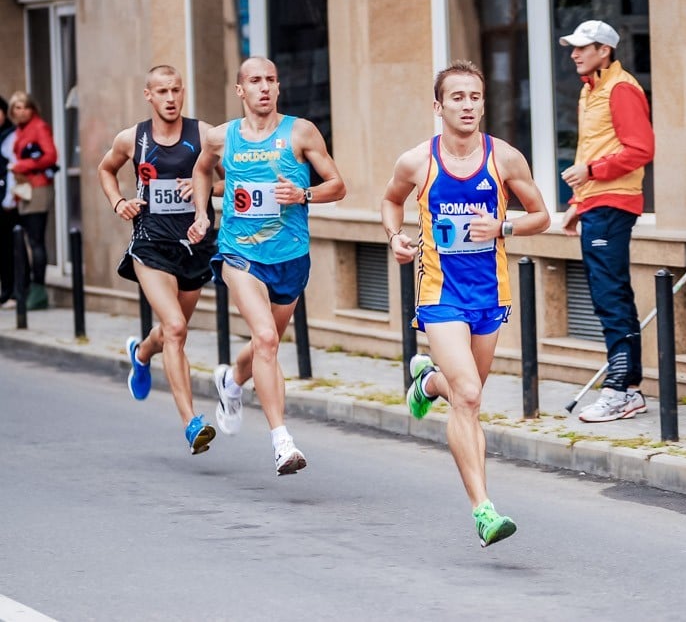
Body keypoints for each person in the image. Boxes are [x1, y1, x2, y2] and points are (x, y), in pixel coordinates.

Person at [382, 59, 549, 547]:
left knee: (462, 395)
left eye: (475, 97)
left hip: (489, 294)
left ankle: (426, 381)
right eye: (457, 97)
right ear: (438, 106)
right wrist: (394, 237)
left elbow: (541, 215)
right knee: (471, 396)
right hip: (440, 293)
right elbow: (390, 200)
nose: (468, 105)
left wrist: (503, 227)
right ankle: (483, 509)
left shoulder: (506, 159)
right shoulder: (418, 161)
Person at [189, 56, 346, 475]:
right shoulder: (221, 137)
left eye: (271, 80)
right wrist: (202, 213)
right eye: (255, 81)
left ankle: (231, 381)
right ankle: (282, 442)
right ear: (240, 90)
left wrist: (304, 194)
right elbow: (201, 170)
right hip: (239, 253)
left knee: (268, 342)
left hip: (290, 256)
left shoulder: (300, 132)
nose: (264, 87)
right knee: (265, 338)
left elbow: (338, 185)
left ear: (278, 88)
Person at [97, 65, 222, 455]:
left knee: (174, 329)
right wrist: (119, 201)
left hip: (194, 245)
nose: (170, 98)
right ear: (148, 95)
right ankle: (191, 423)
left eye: (176, 90)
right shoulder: (132, 138)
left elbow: (230, 178)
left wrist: (204, 185)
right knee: (175, 327)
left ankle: (141, 353)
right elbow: (105, 169)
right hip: (150, 245)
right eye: (162, 91)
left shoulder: (203, 135)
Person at [558, 20, 655, 423]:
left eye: (583, 47)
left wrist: (591, 173)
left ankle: (622, 389)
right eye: (574, 48)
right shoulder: (591, 90)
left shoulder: (621, 89)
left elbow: (641, 149)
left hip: (614, 205)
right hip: (597, 204)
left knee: (611, 297)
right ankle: (625, 387)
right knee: (607, 296)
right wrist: (577, 202)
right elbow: (596, 147)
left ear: (605, 50)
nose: (575, 54)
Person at [9, 91, 57, 311]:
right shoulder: (20, 131)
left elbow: (50, 156)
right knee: (27, 240)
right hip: (24, 189)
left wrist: (23, 166)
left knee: (36, 239)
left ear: (32, 109)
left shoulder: (38, 126)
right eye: (17, 108)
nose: (21, 111)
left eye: (25, 107)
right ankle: (29, 289)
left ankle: (38, 291)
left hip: (38, 187)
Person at [0, 96, 18, 308]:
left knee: (11, 245)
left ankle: (13, 291)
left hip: (9, 198)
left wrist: (8, 198)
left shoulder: (11, 135)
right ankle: (6, 289)